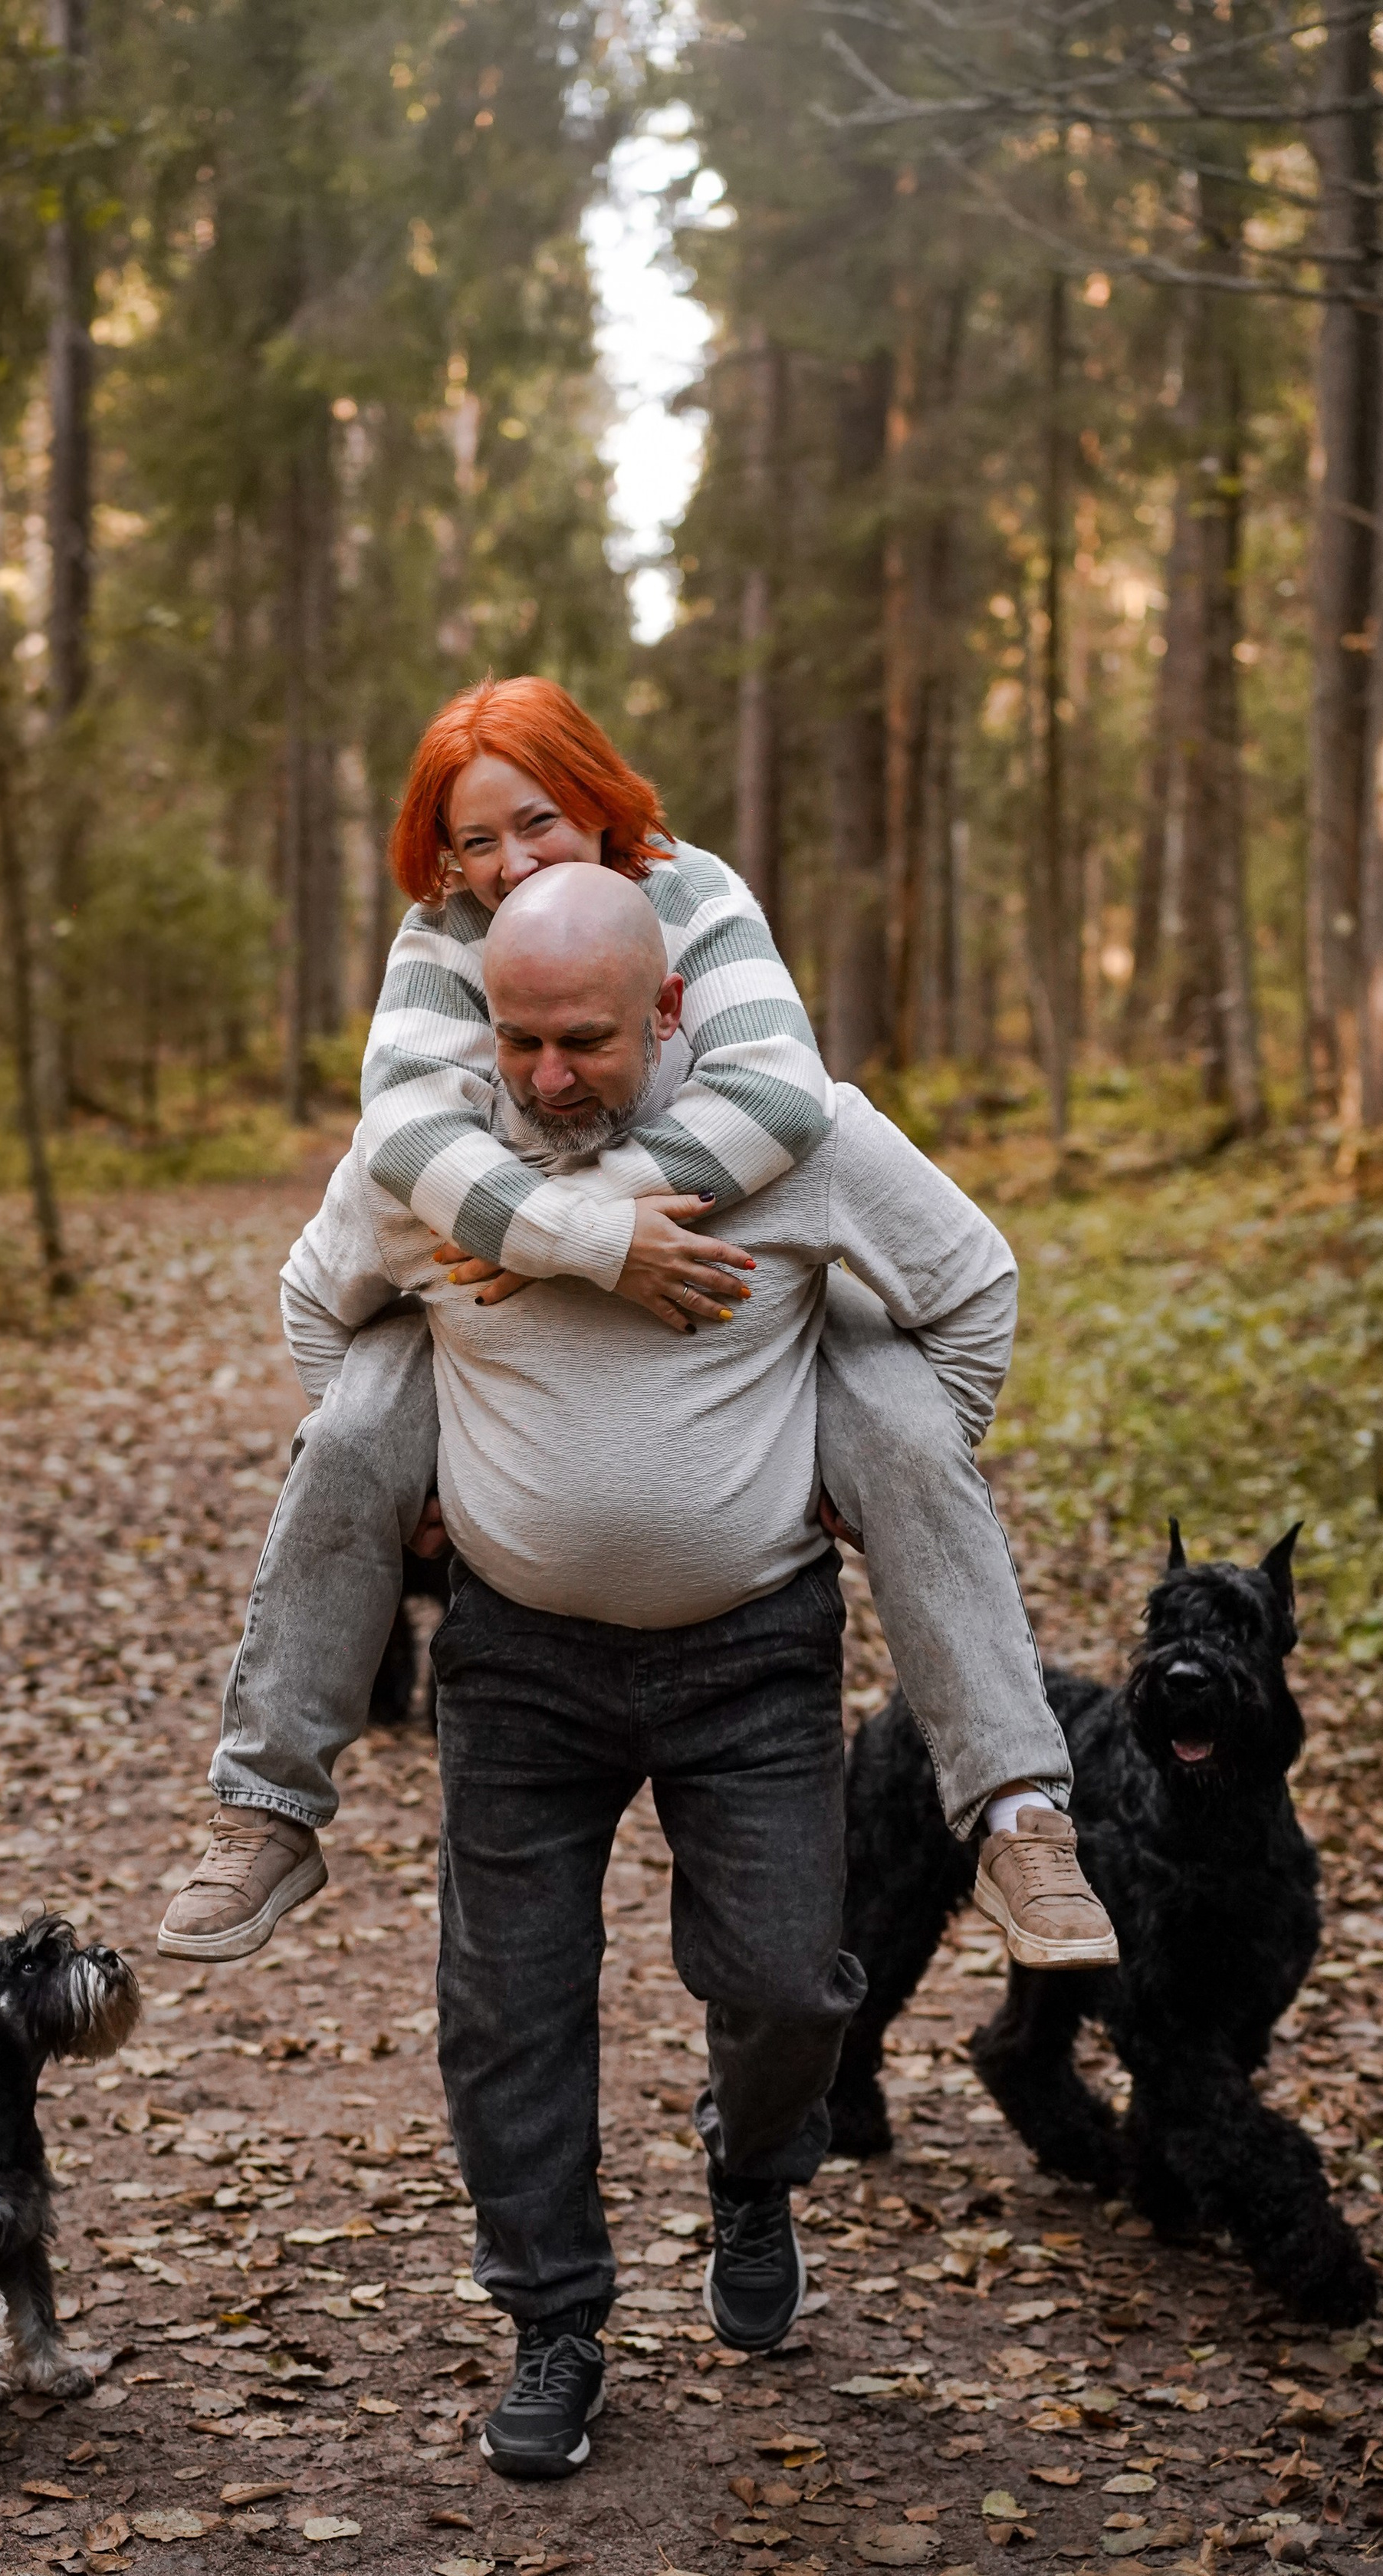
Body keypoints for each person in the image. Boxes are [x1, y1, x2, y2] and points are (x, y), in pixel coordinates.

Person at [278, 864, 1052, 2475]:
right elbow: (314, 1303)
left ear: (671, 1011)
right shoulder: (434, 1151)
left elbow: (974, 1286)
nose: (546, 1077)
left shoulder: (802, 1138)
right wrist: (408, 1484)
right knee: (508, 2012)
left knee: (787, 1987)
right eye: (518, 1040)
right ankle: (553, 2324)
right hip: (516, 1659)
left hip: (752, 1654)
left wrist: (887, 1469)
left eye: (586, 1041)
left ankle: (750, 2179)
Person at [159, 675, 1112, 1983]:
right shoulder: (442, 932)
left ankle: (1017, 1813)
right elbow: (399, 1138)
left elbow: (780, 1095)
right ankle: (265, 1801)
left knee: (902, 1422)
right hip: (509, 1348)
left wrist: (869, 1474)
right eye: (474, 840)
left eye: (537, 824)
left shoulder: (698, 894)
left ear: (602, 807)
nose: (506, 867)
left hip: (731, 1251)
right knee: (356, 1415)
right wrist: (443, 1448)